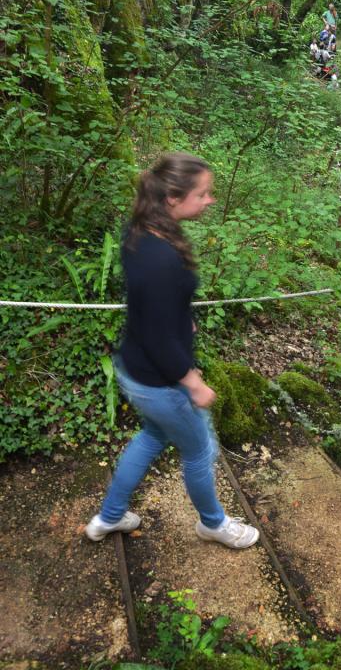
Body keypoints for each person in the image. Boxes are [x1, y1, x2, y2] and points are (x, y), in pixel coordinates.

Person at [85, 153, 259, 549]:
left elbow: (151, 306)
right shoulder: (161, 257)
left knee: (150, 437)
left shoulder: (142, 231)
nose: (210, 200)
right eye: (203, 194)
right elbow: (160, 337)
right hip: (161, 380)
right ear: (173, 199)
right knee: (199, 450)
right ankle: (213, 523)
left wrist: (181, 316)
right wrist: (193, 382)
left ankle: (108, 518)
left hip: (135, 367)